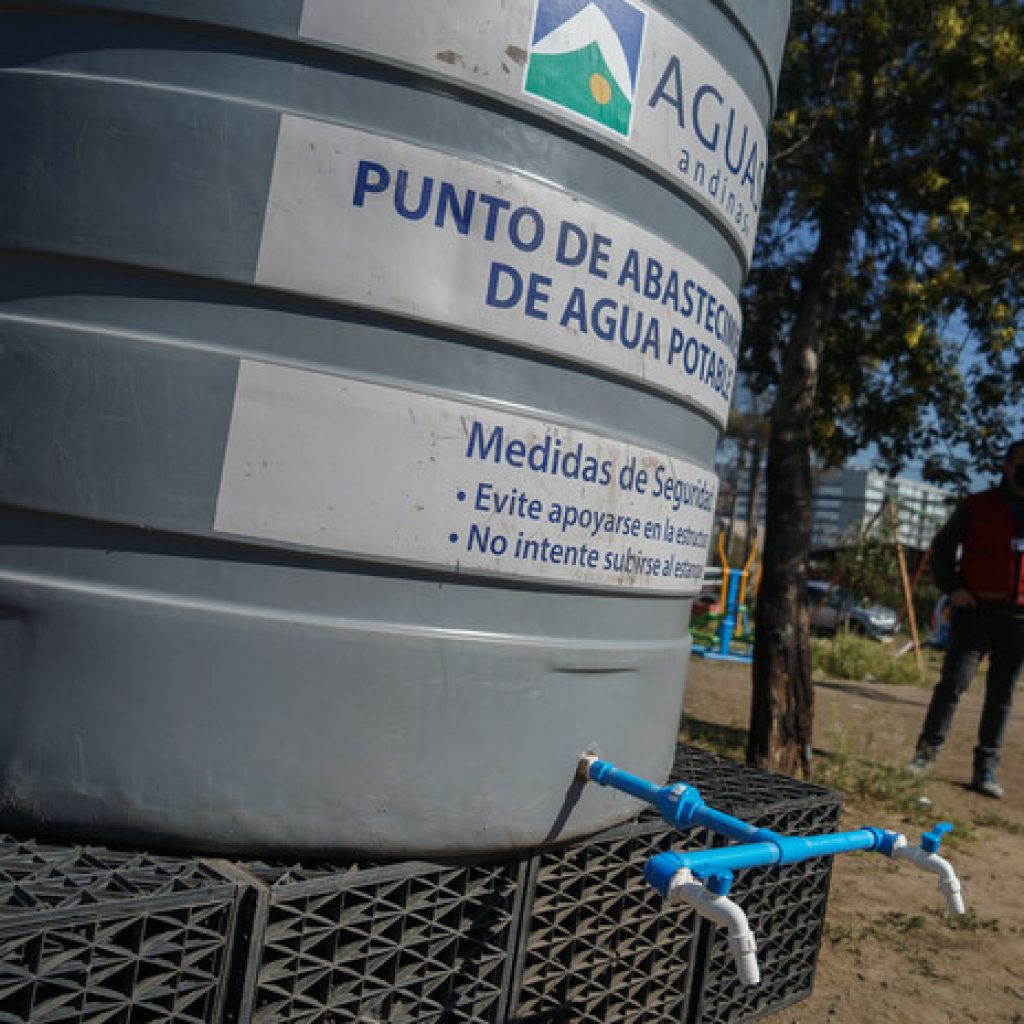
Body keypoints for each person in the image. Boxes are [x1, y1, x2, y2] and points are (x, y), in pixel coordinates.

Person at [908, 438, 1024, 799]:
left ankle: (985, 769)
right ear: (1007, 466)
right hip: (976, 611)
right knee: (954, 683)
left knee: (1002, 695)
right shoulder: (977, 506)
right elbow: (941, 551)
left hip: (1018, 619)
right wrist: (953, 587)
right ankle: (925, 756)